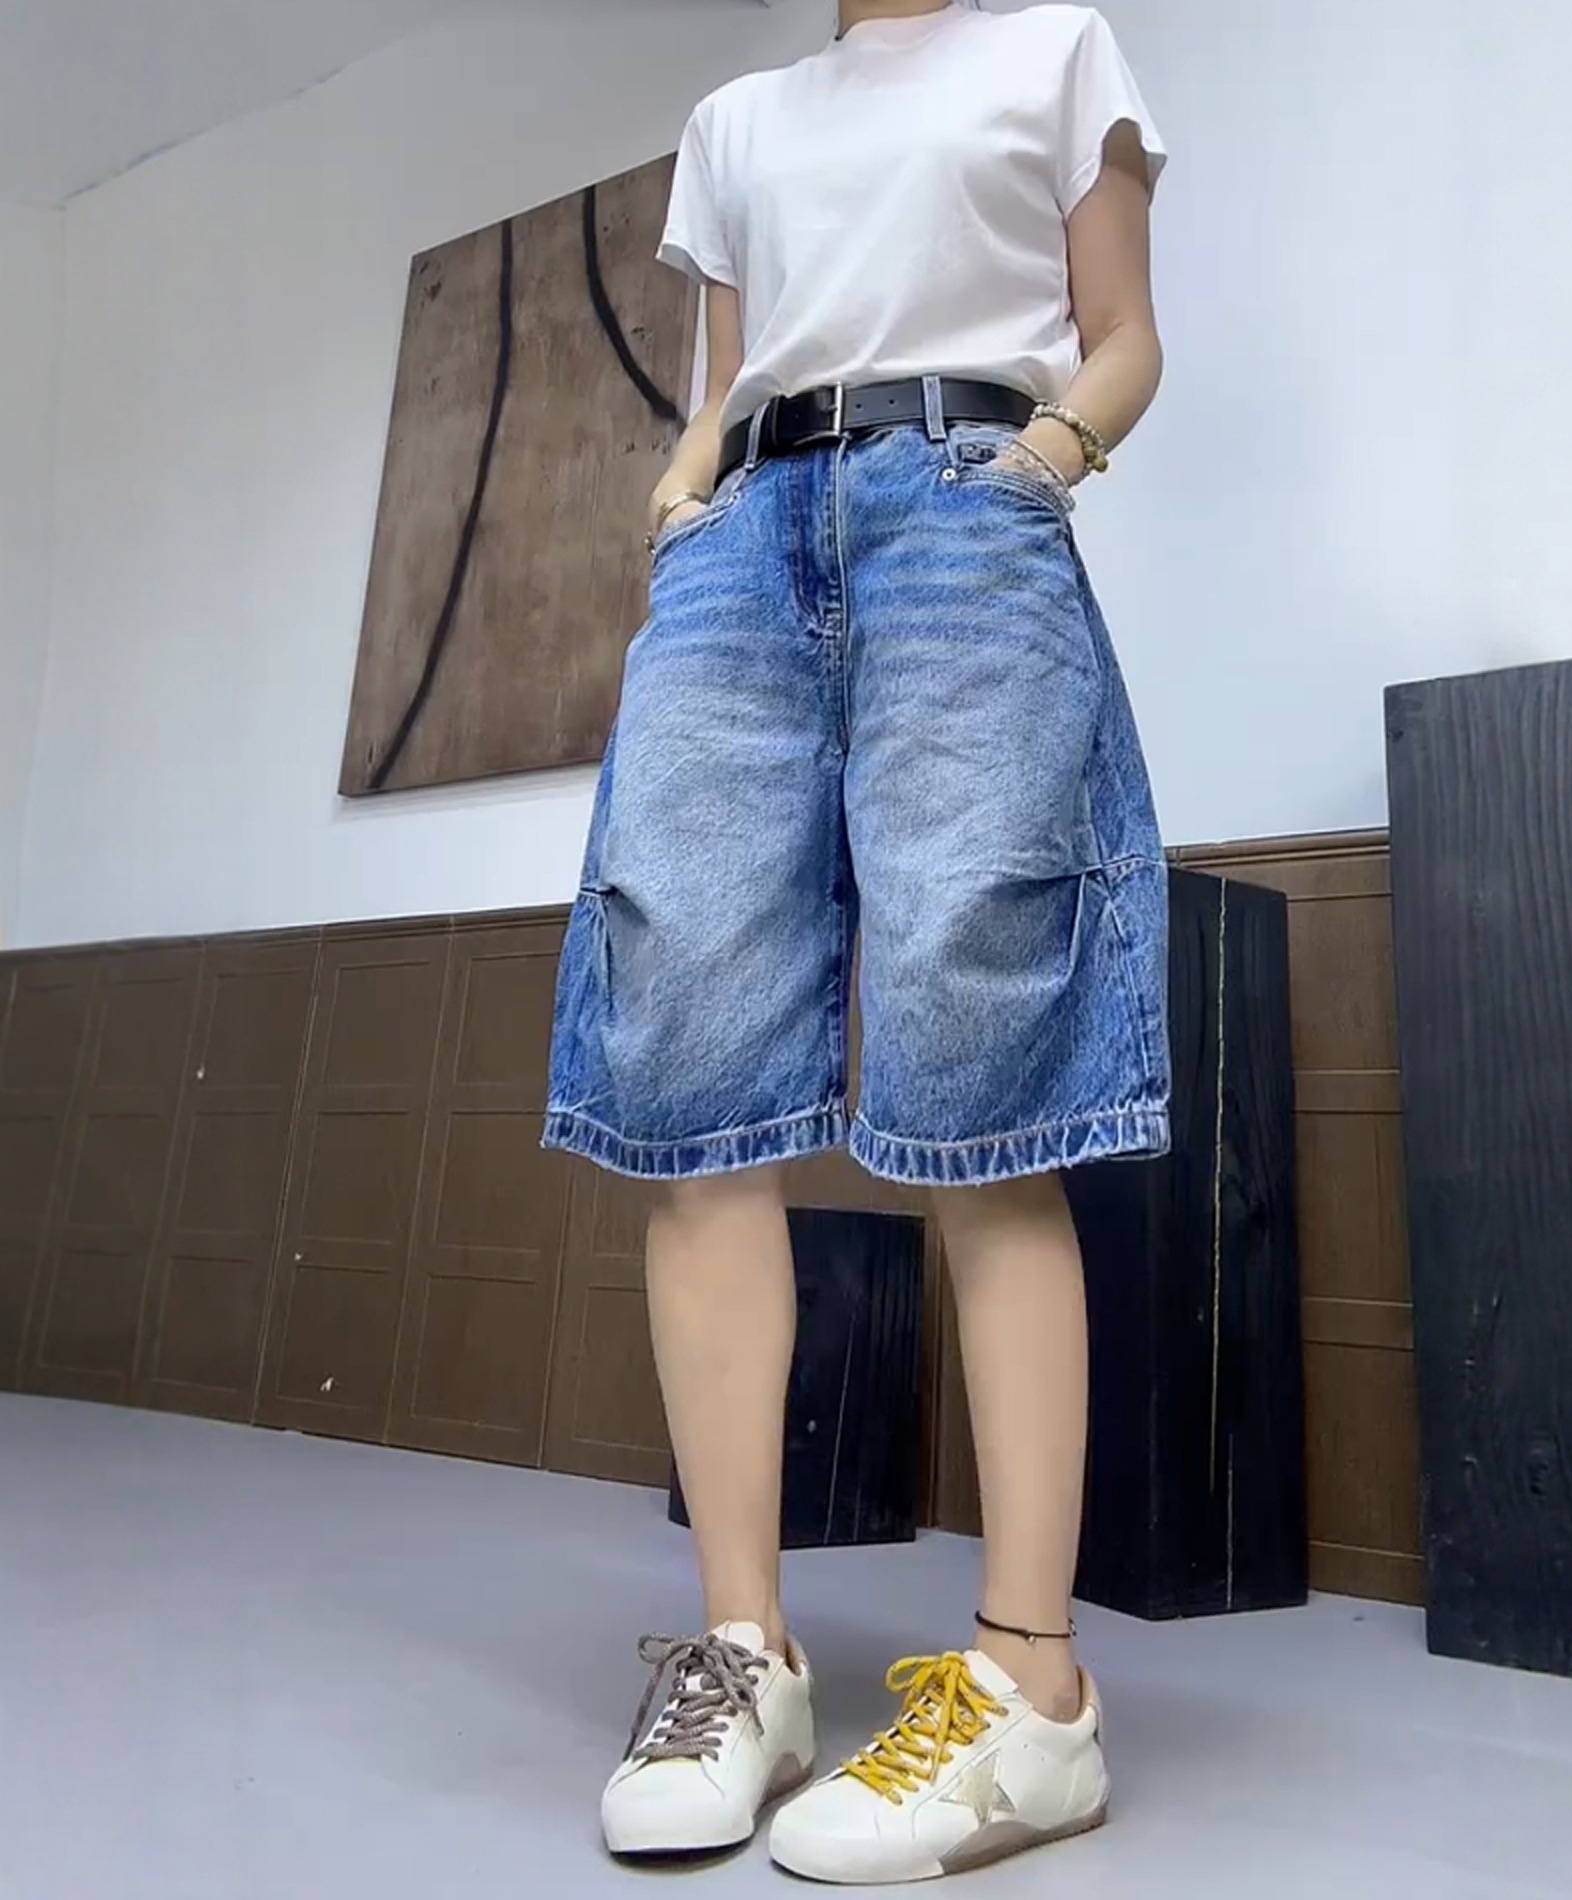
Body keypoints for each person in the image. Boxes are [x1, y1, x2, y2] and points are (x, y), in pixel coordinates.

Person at [542, 0, 1169, 1882]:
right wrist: (685, 497)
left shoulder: (1057, 49)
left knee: (983, 1064)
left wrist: (1048, 455)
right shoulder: (735, 120)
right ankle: (745, 1659)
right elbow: (732, 377)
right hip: (743, 543)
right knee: (686, 1049)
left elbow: (1126, 333)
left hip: (964, 506)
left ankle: (1032, 1692)